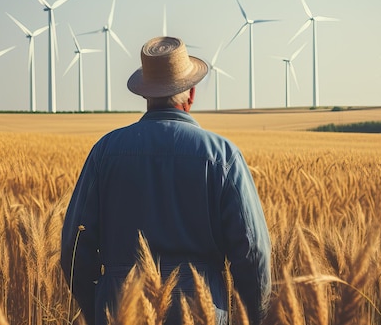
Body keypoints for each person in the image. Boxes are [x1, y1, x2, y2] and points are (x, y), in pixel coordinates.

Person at [60, 36, 271, 325]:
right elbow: (252, 253)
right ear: (192, 93)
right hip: (201, 314)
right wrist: (252, 319)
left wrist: (99, 309)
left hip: (120, 313)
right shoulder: (222, 156)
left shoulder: (104, 153)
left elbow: (74, 249)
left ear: (146, 94)